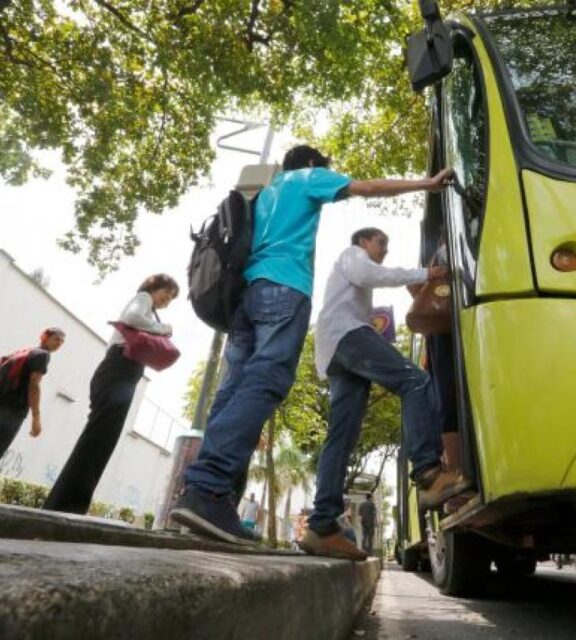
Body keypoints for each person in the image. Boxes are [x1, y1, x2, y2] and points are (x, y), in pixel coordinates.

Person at [170, 144, 457, 544]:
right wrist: (427, 183)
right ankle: (208, 487)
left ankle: (294, 515)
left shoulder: (266, 193)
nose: (382, 250)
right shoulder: (307, 180)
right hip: (286, 293)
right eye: (381, 244)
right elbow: (369, 186)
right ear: (311, 164)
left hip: (247, 299)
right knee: (268, 381)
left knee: (239, 392)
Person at [301, 228, 470, 561]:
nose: (385, 250)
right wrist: (427, 273)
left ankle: (321, 525)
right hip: (348, 335)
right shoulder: (352, 256)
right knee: (416, 381)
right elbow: (369, 273)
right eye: (382, 243)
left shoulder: (352, 275)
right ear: (363, 242)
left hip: (336, 348)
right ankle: (428, 473)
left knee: (342, 436)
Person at [43, 274, 179, 514]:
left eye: (172, 296)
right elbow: (131, 317)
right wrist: (163, 329)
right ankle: (66, 505)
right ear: (153, 287)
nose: (168, 299)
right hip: (118, 372)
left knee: (101, 441)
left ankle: (69, 504)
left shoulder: (148, 305)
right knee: (98, 440)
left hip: (120, 375)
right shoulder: (143, 298)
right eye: (167, 292)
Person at [0, 328, 66, 459]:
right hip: (12, 411)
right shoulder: (43, 355)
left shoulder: (25, 352)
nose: (59, 344)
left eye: (62, 342)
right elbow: (34, 385)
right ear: (44, 337)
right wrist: (36, 417)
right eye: (56, 339)